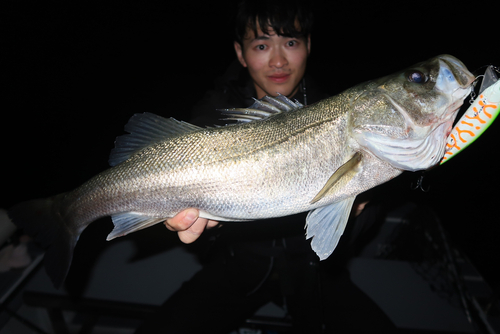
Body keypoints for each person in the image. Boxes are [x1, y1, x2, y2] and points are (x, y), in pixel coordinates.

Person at [136, 1, 397, 333]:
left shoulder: (340, 111)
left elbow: (352, 233)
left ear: (308, 46)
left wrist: (361, 203)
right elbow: (194, 228)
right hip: (237, 264)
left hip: (314, 268)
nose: (278, 60)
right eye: (261, 45)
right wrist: (201, 229)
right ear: (240, 53)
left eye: (291, 42)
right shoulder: (212, 114)